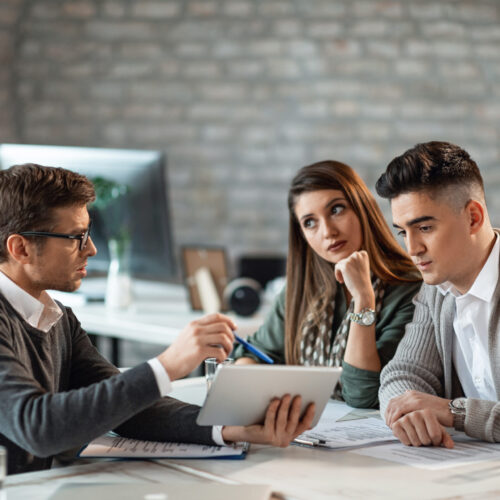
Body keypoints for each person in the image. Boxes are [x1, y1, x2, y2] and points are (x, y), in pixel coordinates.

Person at [0, 163, 315, 476]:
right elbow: (37, 426)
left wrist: (230, 427)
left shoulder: (56, 317)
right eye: (76, 237)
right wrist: (168, 364)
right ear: (20, 248)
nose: (92, 249)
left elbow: (130, 409)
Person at [233, 160, 422, 408]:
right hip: (304, 432)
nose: (327, 232)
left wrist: (364, 299)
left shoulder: (411, 289)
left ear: (362, 209)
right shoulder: (301, 290)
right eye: (310, 222)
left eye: (336, 210)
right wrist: (244, 378)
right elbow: (253, 354)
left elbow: (362, 394)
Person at [376, 141, 500, 448]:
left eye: (425, 227)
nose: (412, 249)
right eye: (403, 231)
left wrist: (455, 412)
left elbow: (450, 411)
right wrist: (407, 413)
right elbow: (403, 372)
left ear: (473, 217)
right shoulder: (436, 289)